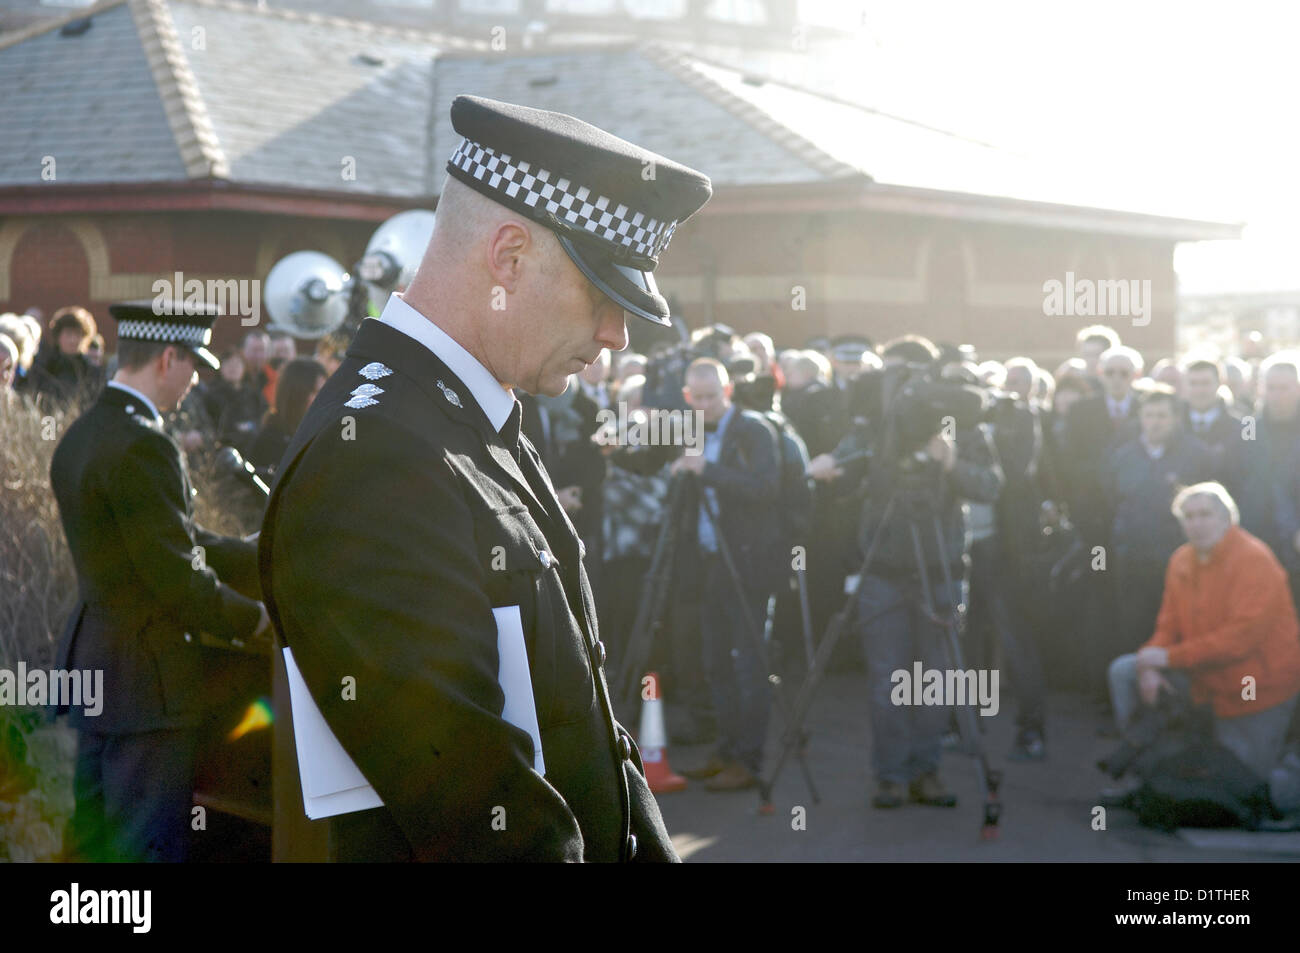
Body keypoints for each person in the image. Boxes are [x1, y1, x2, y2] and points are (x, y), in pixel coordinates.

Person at [259, 95, 711, 861]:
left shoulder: (464, 413)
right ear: (507, 257)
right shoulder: (374, 458)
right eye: (603, 294)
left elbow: (589, 726)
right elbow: (484, 821)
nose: (616, 334)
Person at [49, 300, 270, 862]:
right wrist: (255, 618)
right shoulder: (147, 443)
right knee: (146, 852)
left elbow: (164, 539)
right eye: (193, 366)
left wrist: (252, 554)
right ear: (168, 357)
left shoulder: (82, 434)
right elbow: (174, 574)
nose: (194, 381)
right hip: (147, 686)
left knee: (96, 847)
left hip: (96, 672)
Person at [1109, 482, 1300, 781]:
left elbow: (1239, 641)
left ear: (1228, 519)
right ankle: (1143, 777)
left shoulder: (1255, 560)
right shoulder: (1180, 560)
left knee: (1250, 785)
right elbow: (1166, 627)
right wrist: (1149, 665)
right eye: (1189, 516)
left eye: (1206, 515)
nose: (1197, 523)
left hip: (1257, 689)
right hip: (1205, 678)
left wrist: (1167, 659)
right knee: (1125, 671)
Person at [673, 358, 783, 791]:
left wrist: (708, 471)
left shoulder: (754, 429)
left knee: (748, 663)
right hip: (707, 560)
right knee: (716, 661)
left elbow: (765, 488)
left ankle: (749, 759)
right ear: (686, 396)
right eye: (696, 398)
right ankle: (725, 749)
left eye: (711, 397)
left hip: (748, 563)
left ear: (727, 392)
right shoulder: (690, 427)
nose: (703, 405)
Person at [246, 357, 326, 474]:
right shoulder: (270, 440)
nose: (323, 398)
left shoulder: (323, 432)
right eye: (316, 392)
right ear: (298, 393)